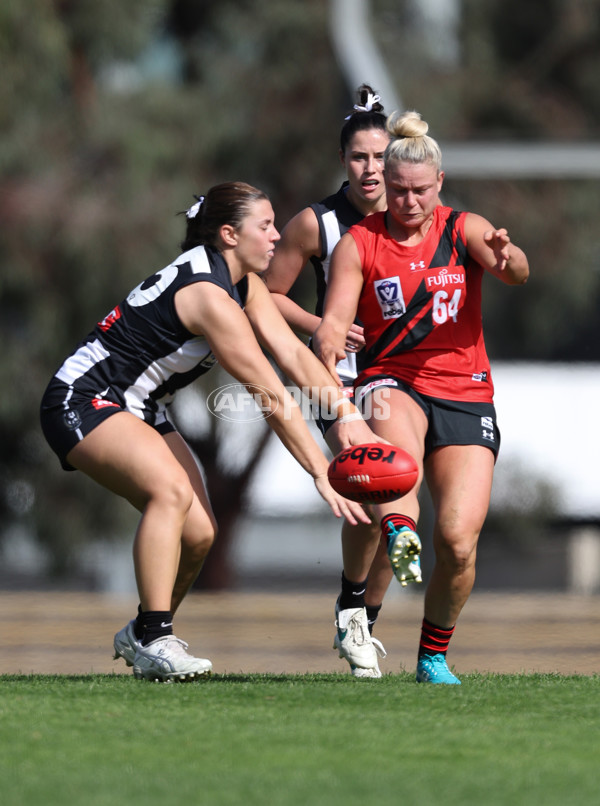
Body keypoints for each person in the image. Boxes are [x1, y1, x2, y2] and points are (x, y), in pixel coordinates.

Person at [40, 181, 379, 683]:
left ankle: (143, 633)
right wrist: (321, 470)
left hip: (138, 406)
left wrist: (350, 418)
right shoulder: (209, 296)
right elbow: (271, 393)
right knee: (170, 493)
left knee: (199, 534)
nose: (274, 237)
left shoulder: (246, 284)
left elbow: (293, 357)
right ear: (228, 234)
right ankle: (157, 639)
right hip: (84, 398)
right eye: (264, 227)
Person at [313, 110, 529, 684]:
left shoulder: (463, 229)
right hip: (391, 380)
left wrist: (508, 257)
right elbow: (334, 317)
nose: (408, 202)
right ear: (386, 182)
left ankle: (432, 655)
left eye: (420, 191)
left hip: (466, 391)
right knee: (395, 474)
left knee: (458, 541)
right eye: (399, 190)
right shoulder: (360, 243)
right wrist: (329, 337)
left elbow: (517, 273)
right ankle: (399, 532)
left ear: (439, 183)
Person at [263, 85, 407, 679]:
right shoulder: (315, 224)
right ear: (343, 159)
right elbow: (265, 297)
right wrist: (321, 322)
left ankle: (360, 622)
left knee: (400, 501)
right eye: (359, 157)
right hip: (334, 378)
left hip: (399, 378)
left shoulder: (414, 216)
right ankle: (353, 613)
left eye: (380, 157)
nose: (371, 169)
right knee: (377, 492)